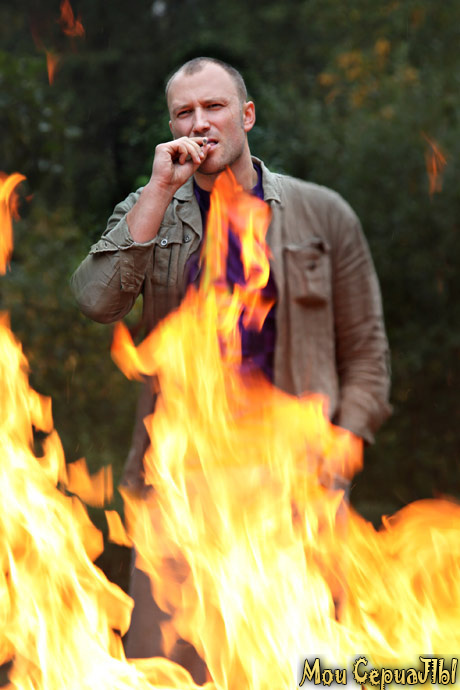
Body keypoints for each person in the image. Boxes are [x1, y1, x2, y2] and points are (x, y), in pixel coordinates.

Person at [71, 57, 391, 677]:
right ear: (172, 128)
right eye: (184, 113)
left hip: (294, 477)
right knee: (167, 666)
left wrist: (342, 444)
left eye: (214, 107)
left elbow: (367, 351)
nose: (200, 123)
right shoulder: (150, 207)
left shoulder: (323, 215)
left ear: (246, 115)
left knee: (300, 663)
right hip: (180, 482)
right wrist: (158, 191)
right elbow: (95, 300)